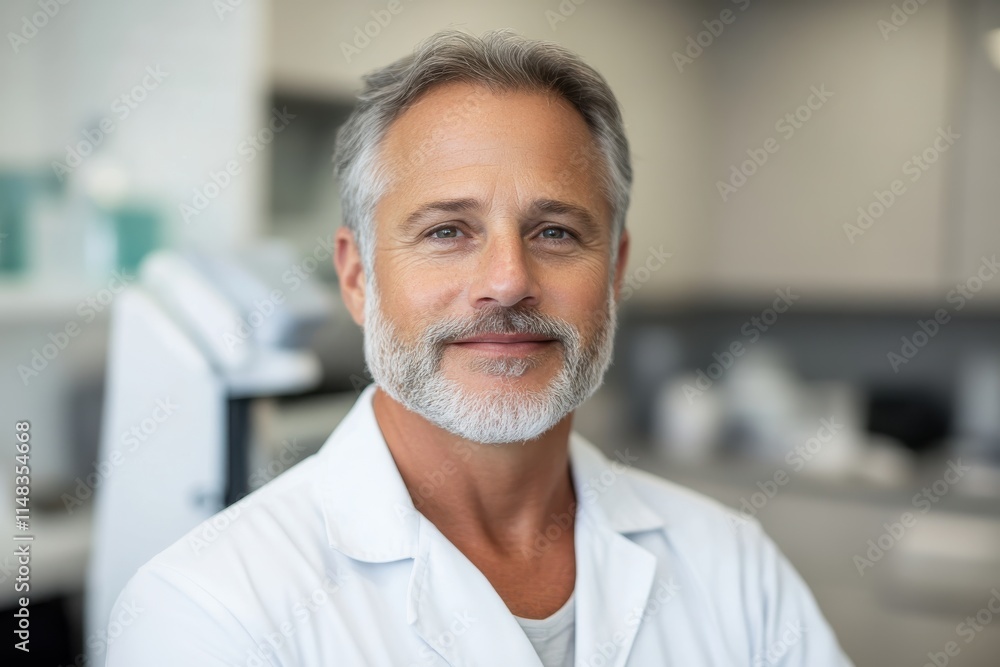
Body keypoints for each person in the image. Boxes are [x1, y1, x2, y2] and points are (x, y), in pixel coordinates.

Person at [106, 29, 853, 666]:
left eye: (555, 232)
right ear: (358, 276)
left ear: (616, 272)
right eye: (446, 231)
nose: (507, 282)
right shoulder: (211, 612)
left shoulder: (736, 570)